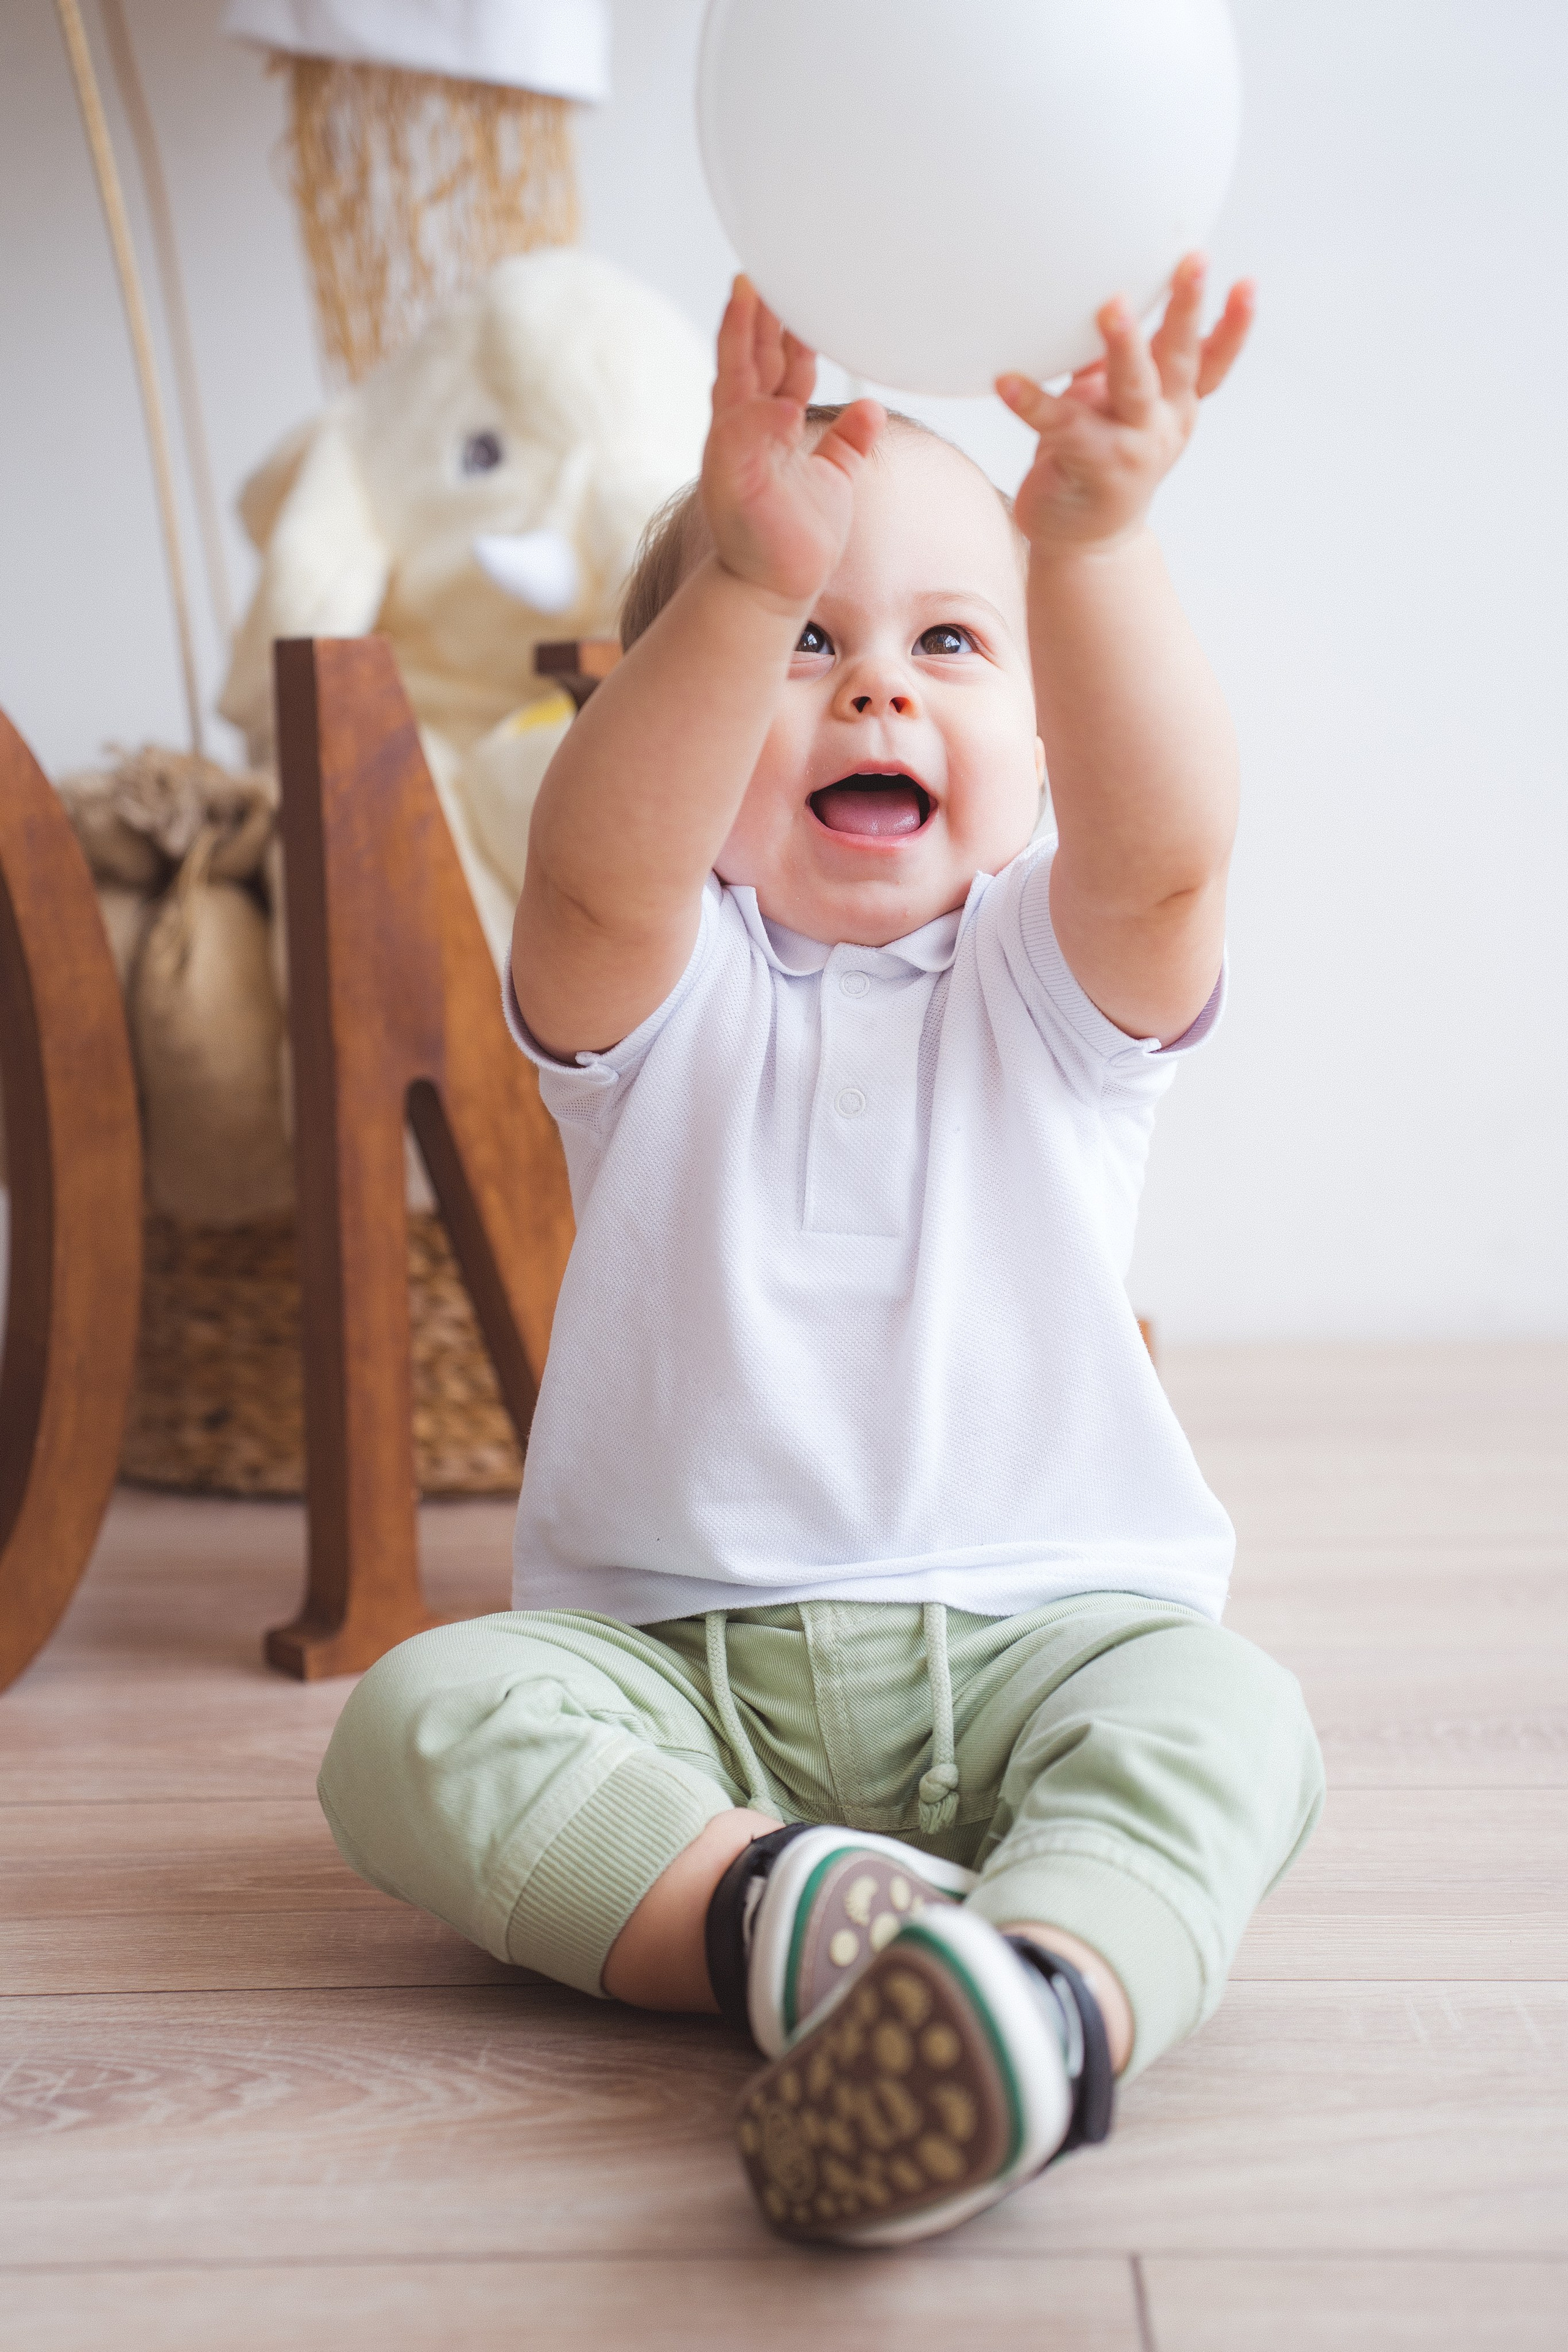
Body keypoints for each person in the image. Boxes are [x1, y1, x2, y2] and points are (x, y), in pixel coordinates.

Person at [319, 262, 1325, 2245]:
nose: (875, 689)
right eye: (809, 645)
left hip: (1057, 1636)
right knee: (410, 1724)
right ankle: (795, 1926)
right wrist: (736, 577)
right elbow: (602, 855)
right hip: (682, 1677)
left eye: (954, 641)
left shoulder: (1056, 984)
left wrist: (1095, 544)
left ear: (1036, 742)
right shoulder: (656, 988)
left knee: (1237, 1724)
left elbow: (1171, 853)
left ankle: (1038, 2008)